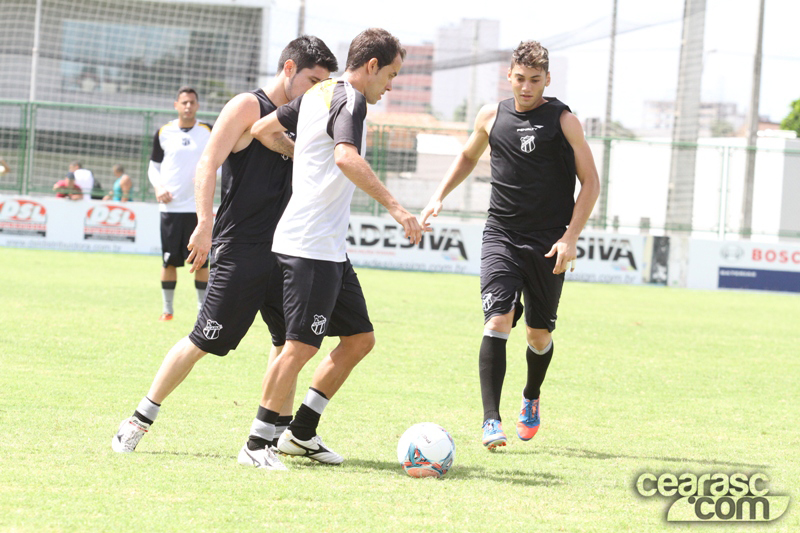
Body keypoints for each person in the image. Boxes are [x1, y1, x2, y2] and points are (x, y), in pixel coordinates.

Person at [111, 36, 339, 472]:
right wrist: (204, 222)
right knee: (203, 339)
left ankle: (268, 439)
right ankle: (138, 420)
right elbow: (207, 164)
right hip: (242, 248)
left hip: (289, 248)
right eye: (312, 80)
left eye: (323, 83)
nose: (316, 91)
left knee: (288, 345)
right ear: (289, 69)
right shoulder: (246, 107)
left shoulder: (307, 114)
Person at [248, 27, 426, 467]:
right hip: (310, 244)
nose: (391, 85)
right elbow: (345, 156)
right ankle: (257, 444)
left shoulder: (319, 91)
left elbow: (262, 129)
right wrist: (398, 209)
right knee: (300, 347)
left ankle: (301, 432)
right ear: (371, 67)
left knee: (359, 339)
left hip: (327, 246)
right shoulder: (349, 98)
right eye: (392, 75)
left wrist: (304, 158)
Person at [420, 40, 600, 450]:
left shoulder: (564, 120)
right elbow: (467, 157)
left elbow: (591, 183)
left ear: (547, 80)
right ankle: (490, 421)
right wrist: (439, 196)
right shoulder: (491, 115)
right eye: (520, 79)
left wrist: (570, 237)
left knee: (537, 336)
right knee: (498, 320)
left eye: (535, 80)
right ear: (509, 76)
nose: (526, 87)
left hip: (548, 242)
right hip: (500, 233)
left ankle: (531, 397)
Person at [148, 87, 212, 321]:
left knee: (202, 261)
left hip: (198, 209)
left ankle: (202, 310)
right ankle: (168, 310)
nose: (188, 106)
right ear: (176, 105)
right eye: (184, 102)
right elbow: (154, 167)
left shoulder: (207, 131)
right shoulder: (164, 132)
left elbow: (220, 161)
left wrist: (208, 178)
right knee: (169, 260)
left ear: (197, 105)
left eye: (192, 102)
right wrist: (158, 187)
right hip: (171, 209)